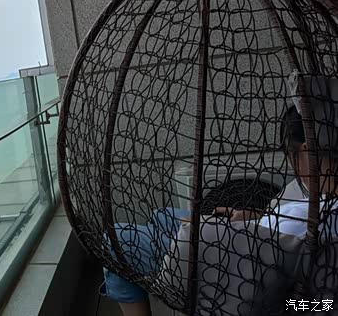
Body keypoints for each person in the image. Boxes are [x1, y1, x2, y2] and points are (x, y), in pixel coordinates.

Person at [100, 103, 338, 316]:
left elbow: (282, 275)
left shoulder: (321, 221)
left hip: (226, 269)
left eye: (290, 154)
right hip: (243, 243)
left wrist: (211, 229)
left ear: (307, 150)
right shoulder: (326, 200)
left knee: (116, 240)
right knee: (161, 216)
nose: (291, 164)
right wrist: (253, 218)